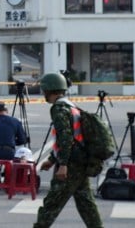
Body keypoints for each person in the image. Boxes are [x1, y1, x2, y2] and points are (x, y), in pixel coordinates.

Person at [33, 72, 102, 228]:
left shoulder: (59, 109)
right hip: (80, 161)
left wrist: (62, 164)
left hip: (71, 164)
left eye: (44, 89)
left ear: (50, 89)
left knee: (51, 204)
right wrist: (52, 159)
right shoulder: (70, 106)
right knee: (86, 204)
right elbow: (70, 138)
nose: (43, 93)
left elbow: (66, 138)